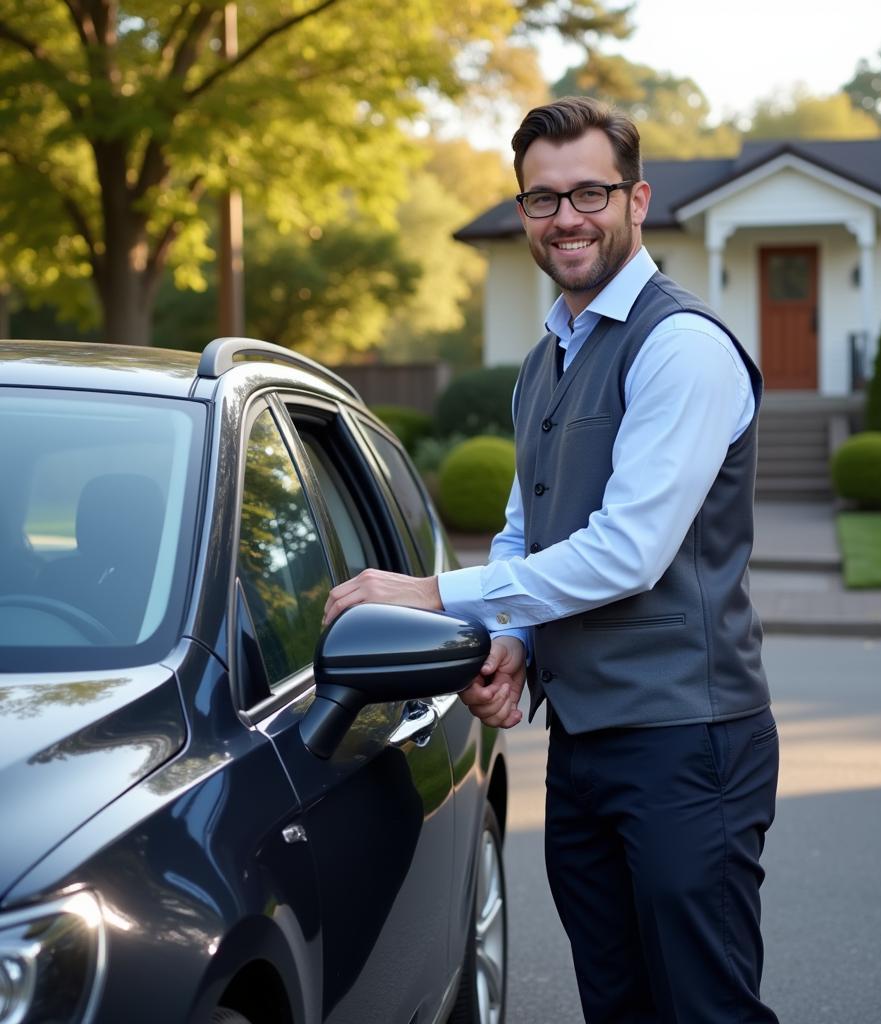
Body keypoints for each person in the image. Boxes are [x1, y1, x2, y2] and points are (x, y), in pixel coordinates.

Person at [323, 96, 779, 1024]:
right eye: (542, 199)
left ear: (636, 200)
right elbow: (529, 527)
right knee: (615, 1004)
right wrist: (515, 641)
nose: (565, 217)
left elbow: (629, 553)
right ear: (523, 212)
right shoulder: (547, 357)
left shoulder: (681, 348)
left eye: (589, 193)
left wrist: (432, 593)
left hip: (688, 743)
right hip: (583, 748)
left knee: (705, 1009)